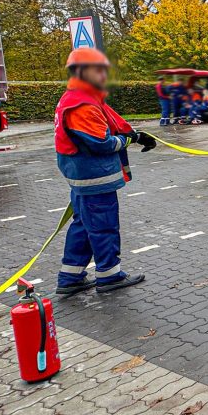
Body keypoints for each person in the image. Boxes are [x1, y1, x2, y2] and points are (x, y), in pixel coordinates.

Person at [54, 48, 156, 295]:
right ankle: (110, 275)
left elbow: (110, 124)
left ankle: (71, 277)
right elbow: (101, 143)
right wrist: (126, 141)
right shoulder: (82, 105)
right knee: (103, 226)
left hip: (84, 179)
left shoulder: (82, 98)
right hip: (94, 178)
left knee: (83, 225)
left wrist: (136, 135)